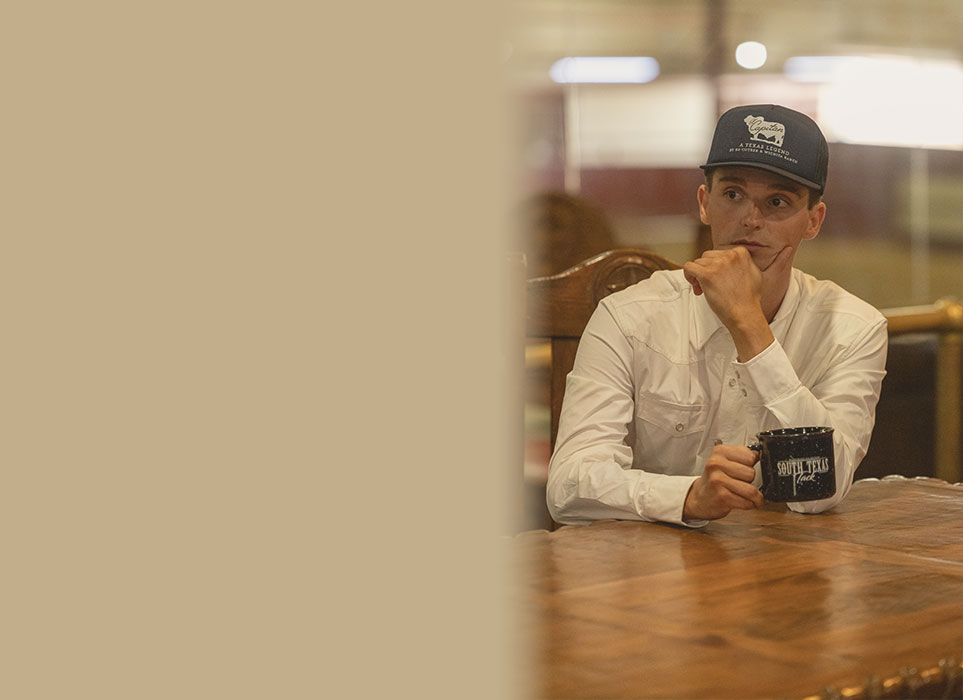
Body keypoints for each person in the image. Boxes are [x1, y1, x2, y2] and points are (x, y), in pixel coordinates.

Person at [545, 104, 888, 527]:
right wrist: (688, 497)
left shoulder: (854, 329)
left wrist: (750, 326)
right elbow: (568, 486)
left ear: (813, 221)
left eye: (777, 201)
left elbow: (820, 490)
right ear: (704, 203)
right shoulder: (627, 317)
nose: (750, 219)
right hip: (642, 574)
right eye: (732, 194)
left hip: (784, 571)